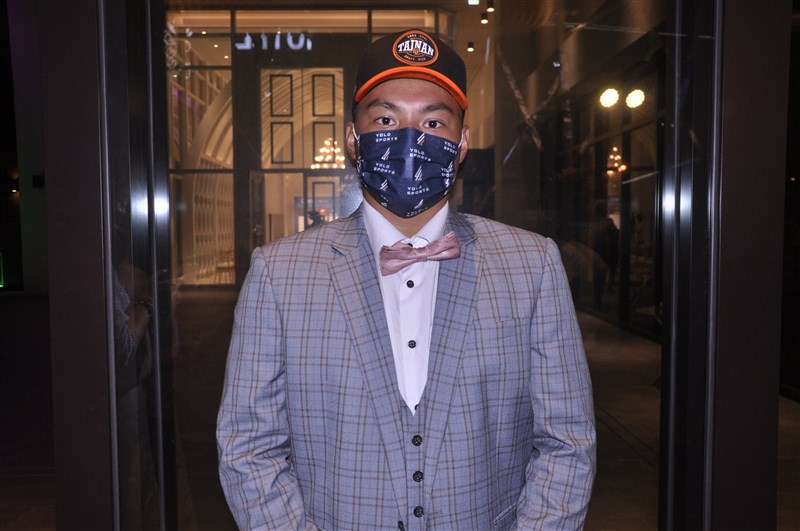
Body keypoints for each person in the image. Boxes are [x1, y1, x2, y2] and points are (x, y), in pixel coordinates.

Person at [217, 29, 596, 530]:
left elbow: (567, 441)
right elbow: (248, 444)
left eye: (433, 122)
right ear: (353, 138)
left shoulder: (532, 265)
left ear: (461, 143)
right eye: (386, 119)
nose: (410, 138)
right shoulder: (279, 273)